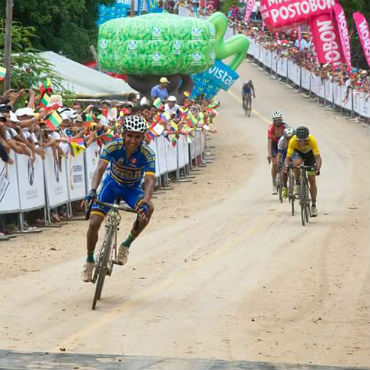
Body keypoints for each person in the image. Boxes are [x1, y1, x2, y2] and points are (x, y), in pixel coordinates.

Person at [82, 115, 156, 282]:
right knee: (94, 223)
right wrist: (93, 190)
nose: (133, 140)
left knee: (149, 208)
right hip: (111, 186)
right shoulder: (112, 146)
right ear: (123, 134)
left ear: (143, 137)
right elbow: (100, 169)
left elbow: (150, 180)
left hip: (132, 190)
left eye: (137, 137)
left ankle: (126, 245)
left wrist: (146, 200)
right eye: (129, 135)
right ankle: (89, 260)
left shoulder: (147, 153)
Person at [284, 126, 322, 217]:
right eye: (299, 140)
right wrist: (286, 167)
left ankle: (313, 206)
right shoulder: (293, 141)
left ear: (307, 138)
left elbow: (318, 158)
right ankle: (297, 183)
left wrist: (317, 168)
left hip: (310, 155)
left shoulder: (312, 140)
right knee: (297, 163)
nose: (301, 142)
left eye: (304, 140)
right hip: (298, 154)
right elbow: (287, 159)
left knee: (312, 179)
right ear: (296, 138)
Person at [267, 111, 287, 195]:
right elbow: (269, 142)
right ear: (273, 121)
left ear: (281, 120)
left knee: (285, 164)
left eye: (279, 120)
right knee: (274, 164)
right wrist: (269, 154)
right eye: (275, 120)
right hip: (274, 146)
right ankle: (274, 184)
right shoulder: (271, 128)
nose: (277, 122)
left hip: (283, 145)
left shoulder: (285, 127)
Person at [276, 126, 295, 198]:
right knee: (284, 171)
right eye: (287, 138)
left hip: (294, 153)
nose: (289, 139)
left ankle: (298, 184)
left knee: (296, 167)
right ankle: (285, 187)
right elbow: (279, 154)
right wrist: (278, 163)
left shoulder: (296, 141)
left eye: (291, 138)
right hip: (285, 154)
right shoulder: (281, 141)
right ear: (284, 137)